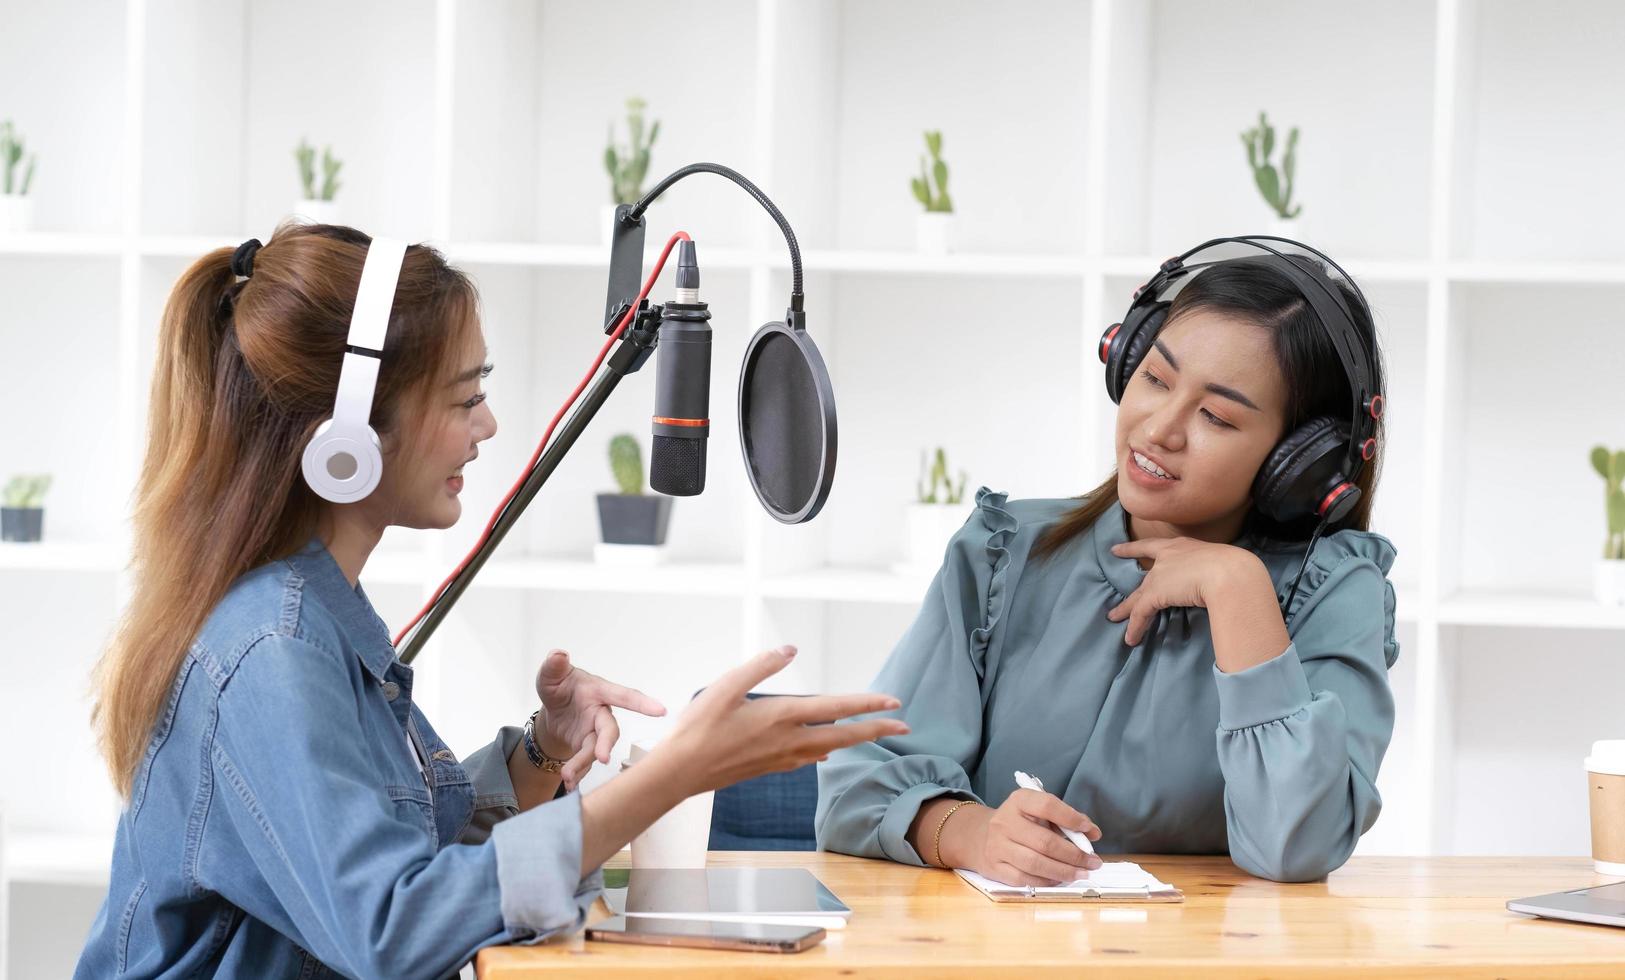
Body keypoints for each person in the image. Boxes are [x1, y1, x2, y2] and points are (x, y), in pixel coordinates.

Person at [75, 222, 907, 978]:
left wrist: (538, 756)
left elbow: (394, 846)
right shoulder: (270, 651)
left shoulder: (312, 618)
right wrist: (674, 777)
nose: (490, 426)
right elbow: (392, 929)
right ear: (345, 440)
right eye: (465, 399)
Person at [816, 244, 1398, 885]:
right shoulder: (1003, 552)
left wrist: (1237, 590)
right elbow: (855, 783)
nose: (1159, 430)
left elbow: (1296, 847)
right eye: (1154, 378)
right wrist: (968, 832)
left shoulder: (1331, 594)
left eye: (1216, 416)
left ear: (1301, 461)